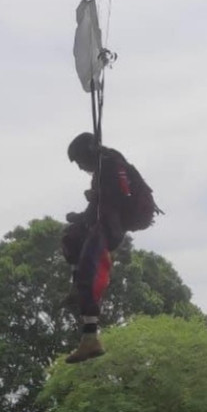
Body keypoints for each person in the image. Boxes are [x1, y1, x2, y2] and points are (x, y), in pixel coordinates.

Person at [62, 132, 158, 363]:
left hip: (108, 228)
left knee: (90, 273)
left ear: (88, 152)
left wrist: (92, 203)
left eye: (79, 161)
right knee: (71, 237)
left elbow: (110, 202)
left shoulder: (109, 165)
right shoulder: (105, 166)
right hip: (103, 223)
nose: (80, 167)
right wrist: (83, 214)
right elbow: (97, 206)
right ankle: (78, 287)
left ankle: (90, 338)